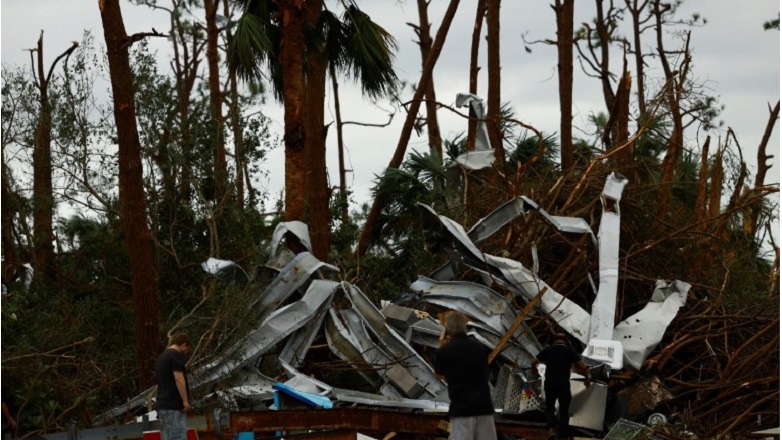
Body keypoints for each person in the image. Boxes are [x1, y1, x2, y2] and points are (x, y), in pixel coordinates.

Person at [433, 311, 497, 440]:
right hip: (483, 406)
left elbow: (439, 374)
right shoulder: (479, 347)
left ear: (447, 330)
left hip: (462, 408)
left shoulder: (444, 351)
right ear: (465, 327)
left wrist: (442, 345)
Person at [530, 333, 591, 439]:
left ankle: (551, 429)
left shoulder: (548, 350)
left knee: (549, 407)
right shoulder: (569, 351)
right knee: (564, 409)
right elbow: (583, 367)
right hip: (563, 384)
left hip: (550, 383)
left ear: (554, 341)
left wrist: (534, 369)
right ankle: (563, 432)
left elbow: (533, 361)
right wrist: (587, 379)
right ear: (566, 341)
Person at [155, 333, 192, 440]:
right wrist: (185, 401)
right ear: (184, 345)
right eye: (187, 349)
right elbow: (179, 379)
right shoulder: (175, 355)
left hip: (163, 404)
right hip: (173, 405)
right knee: (177, 437)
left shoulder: (162, 357)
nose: (186, 352)